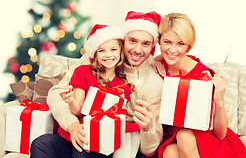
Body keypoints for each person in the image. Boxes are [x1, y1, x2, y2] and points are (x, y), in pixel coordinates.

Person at [31, 11, 164, 158]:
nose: (138, 50)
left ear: (152, 46)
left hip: (115, 144)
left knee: (84, 151)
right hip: (80, 131)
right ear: (123, 41)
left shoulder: (153, 82)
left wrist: (147, 128)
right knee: (42, 144)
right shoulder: (94, 61)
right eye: (132, 41)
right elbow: (56, 95)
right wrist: (72, 125)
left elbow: (150, 150)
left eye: (145, 44)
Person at [153, 13, 246, 158]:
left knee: (184, 135)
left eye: (180, 44)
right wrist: (152, 62)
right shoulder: (160, 63)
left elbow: (220, 134)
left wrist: (219, 100)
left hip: (208, 140)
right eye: (167, 42)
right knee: (169, 152)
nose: (172, 50)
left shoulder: (202, 76)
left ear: (188, 46)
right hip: (175, 137)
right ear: (159, 41)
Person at [59, 24, 134, 158]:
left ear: (120, 52)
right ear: (95, 53)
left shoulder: (124, 86)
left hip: (101, 141)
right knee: (41, 143)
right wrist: (70, 101)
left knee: (82, 152)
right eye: (101, 51)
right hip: (77, 132)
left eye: (113, 49)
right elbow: (77, 111)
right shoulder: (82, 72)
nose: (108, 55)